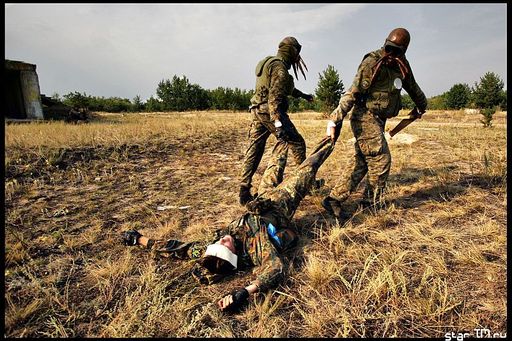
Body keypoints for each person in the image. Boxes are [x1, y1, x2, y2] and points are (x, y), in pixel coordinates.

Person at [121, 136, 336, 313]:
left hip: (260, 200)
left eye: (218, 241)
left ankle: (282, 134)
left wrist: (138, 239)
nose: (223, 239)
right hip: (279, 203)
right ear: (233, 256)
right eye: (225, 245)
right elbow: (276, 268)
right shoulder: (256, 250)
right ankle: (331, 137)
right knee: (306, 170)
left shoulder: (210, 249)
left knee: (275, 161)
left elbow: (177, 248)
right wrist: (245, 292)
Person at [323, 27, 428, 217]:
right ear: (385, 42)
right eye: (389, 48)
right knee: (381, 159)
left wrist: (422, 105)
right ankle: (369, 203)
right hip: (364, 116)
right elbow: (352, 92)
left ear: (404, 50)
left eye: (397, 50)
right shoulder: (371, 62)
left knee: (362, 161)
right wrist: (334, 120)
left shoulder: (402, 65)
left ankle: (334, 199)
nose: (391, 53)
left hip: (379, 120)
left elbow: (412, 86)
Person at [239, 36, 314, 206]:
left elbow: (288, 88)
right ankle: (304, 181)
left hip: (257, 110)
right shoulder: (280, 67)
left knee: (255, 148)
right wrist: (278, 124)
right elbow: (275, 97)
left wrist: (304, 96)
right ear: (292, 51)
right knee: (296, 142)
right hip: (270, 112)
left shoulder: (269, 63)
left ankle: (244, 191)